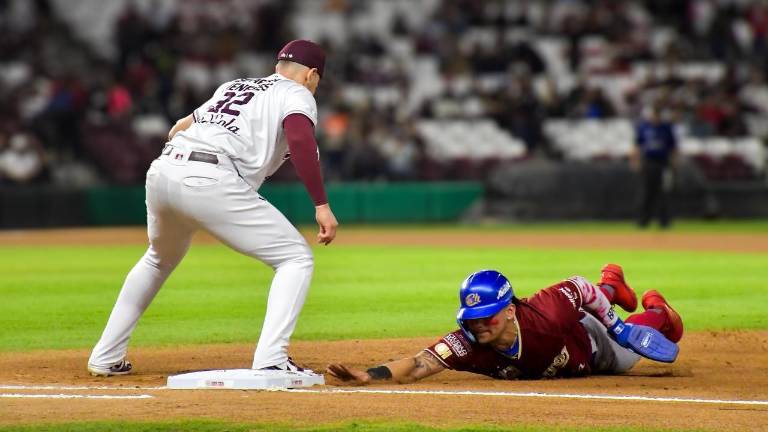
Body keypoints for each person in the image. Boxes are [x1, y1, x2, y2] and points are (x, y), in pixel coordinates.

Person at [88, 40, 338, 377]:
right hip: (211, 177)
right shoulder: (297, 94)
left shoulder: (234, 86)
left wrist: (179, 167)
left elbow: (180, 125)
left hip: (164, 169)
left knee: (158, 258)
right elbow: (299, 139)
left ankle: (105, 356)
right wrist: (321, 204)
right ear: (310, 74)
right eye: (317, 79)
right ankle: (271, 359)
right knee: (295, 257)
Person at [327, 264, 683, 384]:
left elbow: (579, 286)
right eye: (472, 319)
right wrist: (368, 375)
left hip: (589, 341)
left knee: (627, 353)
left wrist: (618, 328)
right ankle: (614, 284)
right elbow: (420, 363)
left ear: (510, 310)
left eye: (488, 316)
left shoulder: (545, 312)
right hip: (571, 350)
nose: (479, 325)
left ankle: (658, 309)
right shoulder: (467, 343)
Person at [630, 106, 678, 228]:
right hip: (649, 163)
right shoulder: (644, 128)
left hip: (663, 163)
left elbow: (673, 147)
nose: (654, 117)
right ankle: (643, 220)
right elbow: (637, 145)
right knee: (647, 192)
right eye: (653, 115)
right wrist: (635, 161)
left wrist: (674, 163)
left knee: (663, 192)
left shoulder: (666, 128)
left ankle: (664, 221)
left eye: (657, 115)